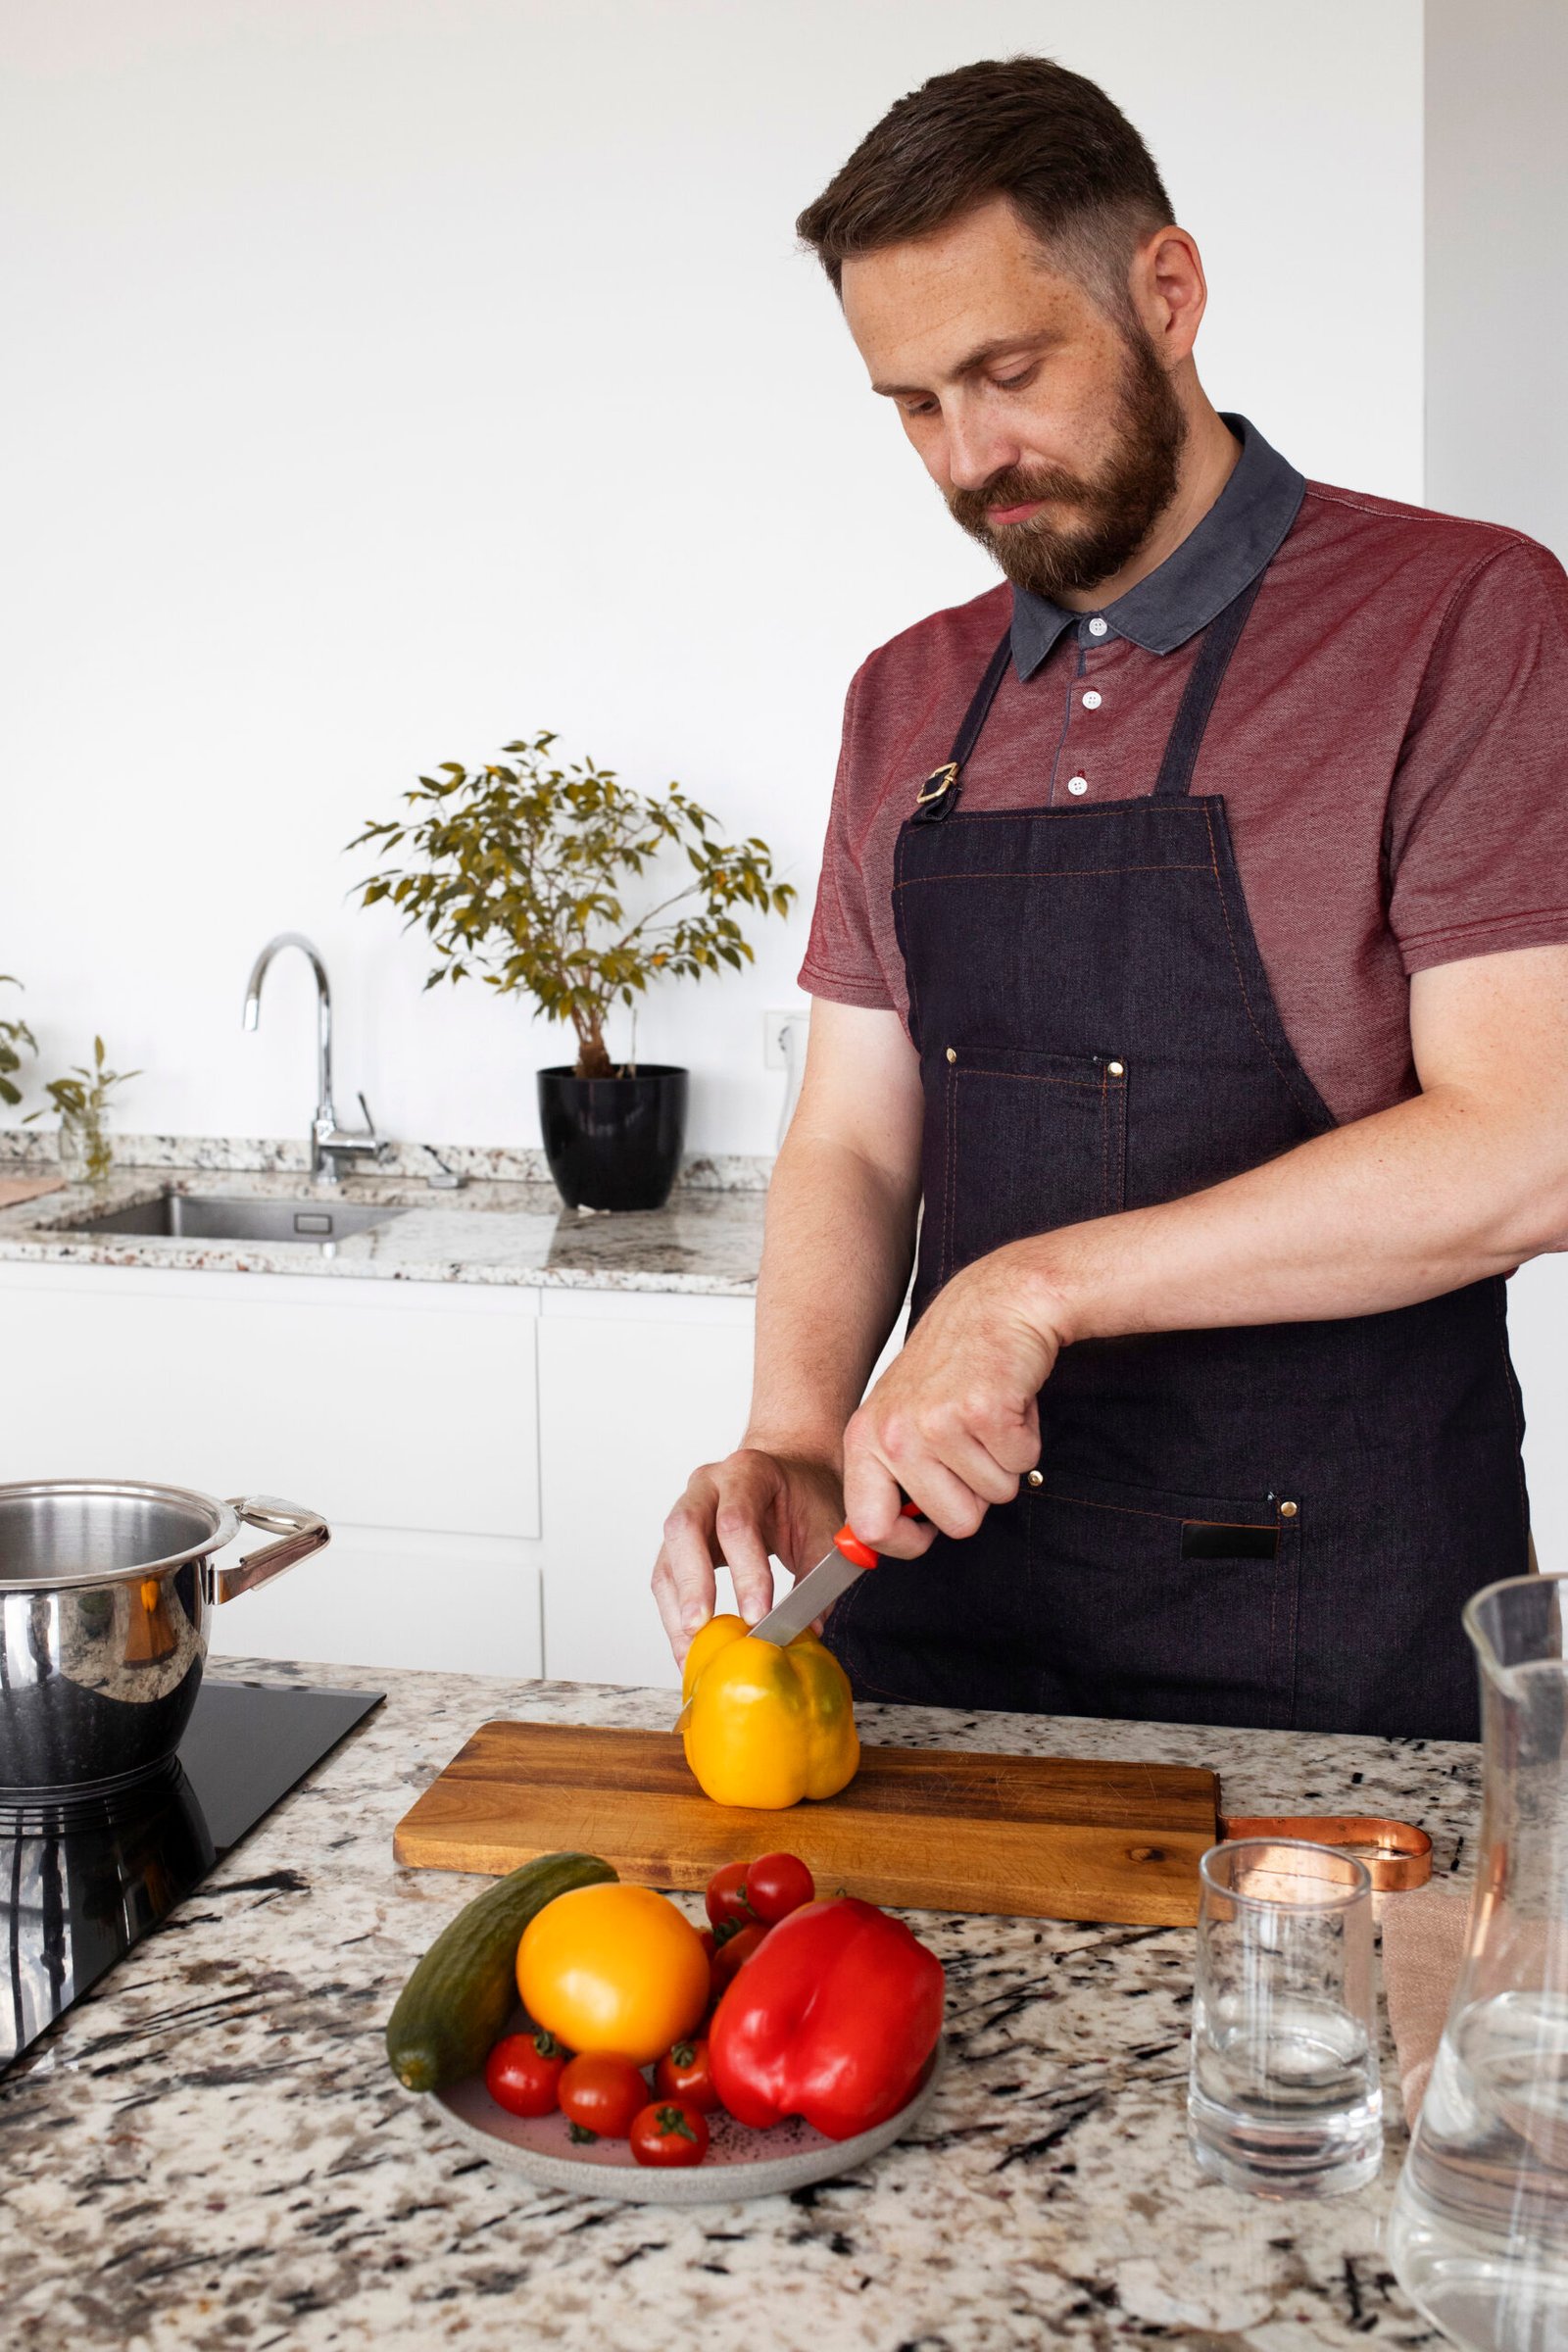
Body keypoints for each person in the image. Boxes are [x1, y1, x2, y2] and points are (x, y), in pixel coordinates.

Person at [652, 56, 1568, 1740]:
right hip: (941, 1626)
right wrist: (791, 1434)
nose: (970, 457)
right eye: (915, 405)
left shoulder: (1464, 618)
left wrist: (1024, 1288)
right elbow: (854, 1135)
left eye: (1008, 372)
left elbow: (1532, 1141)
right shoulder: (905, 696)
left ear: (1167, 291)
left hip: (1334, 1646)